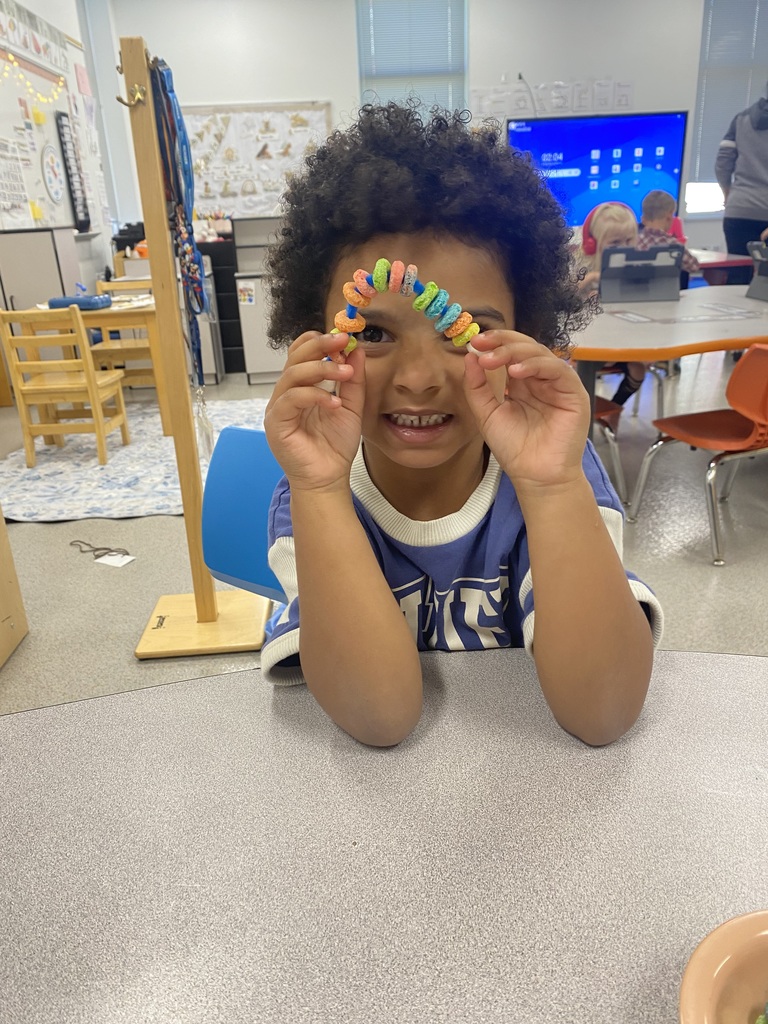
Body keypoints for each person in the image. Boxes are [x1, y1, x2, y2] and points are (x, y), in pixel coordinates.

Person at [261, 103, 663, 748]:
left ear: (525, 336)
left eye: (461, 332)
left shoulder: (559, 480)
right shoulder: (312, 496)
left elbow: (605, 712)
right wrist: (315, 492)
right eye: (371, 333)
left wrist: (553, 486)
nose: (419, 378)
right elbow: (378, 721)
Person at [575, 201, 647, 405]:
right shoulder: (582, 266)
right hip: (586, 343)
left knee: (638, 369)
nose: (623, 249)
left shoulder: (635, 266)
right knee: (577, 375)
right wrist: (588, 281)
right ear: (593, 243)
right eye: (615, 243)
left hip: (620, 339)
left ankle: (614, 411)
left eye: (628, 241)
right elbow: (562, 297)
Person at [715, 87, 768, 282]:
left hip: (739, 209)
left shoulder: (741, 119)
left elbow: (722, 163)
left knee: (737, 277)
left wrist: (728, 193)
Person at [636, 189, 701, 286]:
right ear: (669, 216)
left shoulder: (634, 241)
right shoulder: (673, 245)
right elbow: (694, 266)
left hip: (638, 293)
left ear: (643, 218)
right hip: (667, 294)